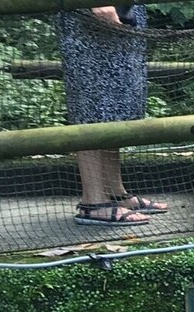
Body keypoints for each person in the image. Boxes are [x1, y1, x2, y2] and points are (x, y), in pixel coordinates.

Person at [61, 5, 168, 226]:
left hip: (123, 13)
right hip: (89, 18)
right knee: (91, 106)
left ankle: (114, 191)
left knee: (113, 107)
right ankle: (93, 202)